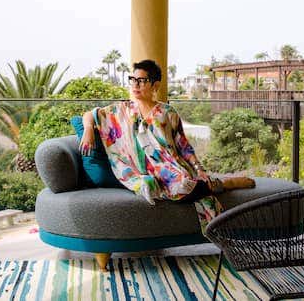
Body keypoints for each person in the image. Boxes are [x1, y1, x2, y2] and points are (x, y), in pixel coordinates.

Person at [80, 59, 254, 229]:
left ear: (155, 85)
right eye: (133, 80)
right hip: (143, 172)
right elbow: (90, 114)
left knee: (183, 185)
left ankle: (223, 184)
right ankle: (219, 185)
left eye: (142, 81)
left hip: (172, 170)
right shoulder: (121, 110)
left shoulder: (167, 113)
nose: (135, 85)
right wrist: (88, 129)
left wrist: (200, 170)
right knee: (150, 185)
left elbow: (184, 147)